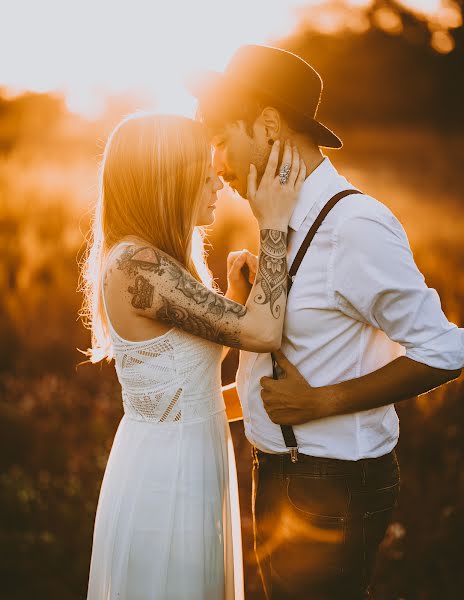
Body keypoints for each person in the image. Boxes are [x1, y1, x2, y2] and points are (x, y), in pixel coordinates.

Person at [189, 44, 464, 599]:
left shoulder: (355, 226)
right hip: (280, 470)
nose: (215, 164)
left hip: (331, 482)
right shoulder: (280, 219)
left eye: (221, 141)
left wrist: (323, 402)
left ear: (268, 125)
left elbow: (446, 350)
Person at [81, 112, 306, 599]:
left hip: (191, 458)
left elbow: (185, 375)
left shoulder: (154, 260)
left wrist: (230, 294)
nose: (216, 183)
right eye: (203, 170)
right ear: (168, 178)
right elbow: (264, 331)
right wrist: (272, 225)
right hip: (168, 473)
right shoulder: (139, 266)